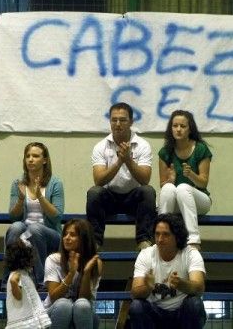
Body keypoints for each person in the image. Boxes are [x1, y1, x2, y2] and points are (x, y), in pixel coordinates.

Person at [86, 102, 157, 250]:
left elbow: (145, 180)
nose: (118, 124)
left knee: (148, 191)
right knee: (94, 192)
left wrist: (128, 161)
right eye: (114, 120)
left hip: (133, 199)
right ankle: (96, 242)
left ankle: (144, 241)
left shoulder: (142, 145)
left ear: (131, 122)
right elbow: (98, 180)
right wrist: (119, 162)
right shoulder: (101, 146)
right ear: (110, 121)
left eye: (123, 120)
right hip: (110, 198)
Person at [3, 142, 64, 290]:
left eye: (35, 156)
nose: (30, 159)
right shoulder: (18, 183)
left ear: (44, 160)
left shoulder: (55, 183)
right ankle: (9, 279)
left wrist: (40, 197)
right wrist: (21, 199)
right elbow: (13, 217)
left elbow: (57, 216)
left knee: (35, 229)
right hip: (25, 231)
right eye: (28, 156)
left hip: (49, 233)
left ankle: (41, 281)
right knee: (16, 227)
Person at [129, 213, 206, 329]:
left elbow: (199, 288)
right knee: (136, 306)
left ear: (177, 236)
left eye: (166, 235)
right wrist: (147, 287)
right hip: (155, 313)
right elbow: (135, 293)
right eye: (157, 234)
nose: (160, 239)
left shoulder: (190, 254)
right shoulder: (146, 254)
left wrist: (181, 284)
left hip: (181, 313)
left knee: (195, 303)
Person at [158, 110, 212, 250]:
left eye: (183, 126)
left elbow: (203, 182)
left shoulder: (200, 149)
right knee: (168, 188)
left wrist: (191, 175)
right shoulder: (165, 151)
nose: (178, 129)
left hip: (200, 200)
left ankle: (193, 240)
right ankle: (161, 236)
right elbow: (162, 186)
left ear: (190, 129)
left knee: (182, 187)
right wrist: (170, 180)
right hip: (176, 201)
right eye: (175, 126)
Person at [44, 218, 103, 329]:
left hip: (82, 316)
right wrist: (71, 275)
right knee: (64, 304)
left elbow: (85, 300)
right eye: (65, 234)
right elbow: (54, 297)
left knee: (82, 305)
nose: (67, 238)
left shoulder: (95, 263)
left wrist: (86, 273)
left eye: (73, 235)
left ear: (84, 239)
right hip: (54, 314)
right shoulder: (53, 259)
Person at [5, 237, 51, 329]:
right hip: (24, 319)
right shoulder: (16, 275)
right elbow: (18, 296)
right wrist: (14, 283)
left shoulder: (23, 274)